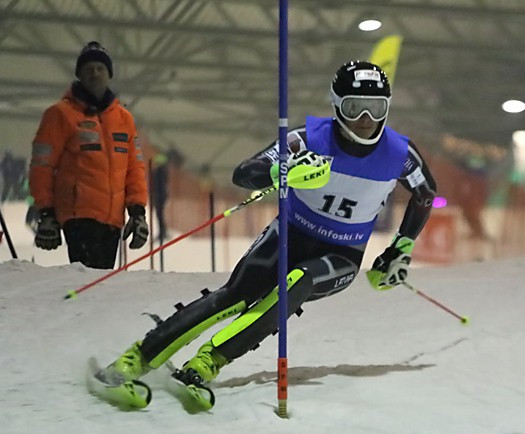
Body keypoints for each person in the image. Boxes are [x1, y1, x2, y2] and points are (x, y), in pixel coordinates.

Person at [98, 61, 437, 402]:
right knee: (233, 297)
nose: (365, 119)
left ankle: (206, 363)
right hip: (290, 235)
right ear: (336, 107)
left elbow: (425, 193)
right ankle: (136, 359)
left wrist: (399, 249)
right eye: (354, 107)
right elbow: (244, 173)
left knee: (296, 284)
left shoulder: (400, 154)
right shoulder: (307, 140)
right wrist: (282, 170)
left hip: (342, 255)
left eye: (376, 108)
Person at [29, 41, 149, 269]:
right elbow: (41, 167)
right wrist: (46, 212)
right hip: (78, 217)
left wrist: (137, 211)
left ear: (109, 74)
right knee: (88, 283)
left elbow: (135, 169)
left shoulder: (124, 119)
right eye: (88, 68)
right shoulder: (59, 115)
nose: (95, 73)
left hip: (113, 220)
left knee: (100, 285)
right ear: (79, 75)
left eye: (100, 68)